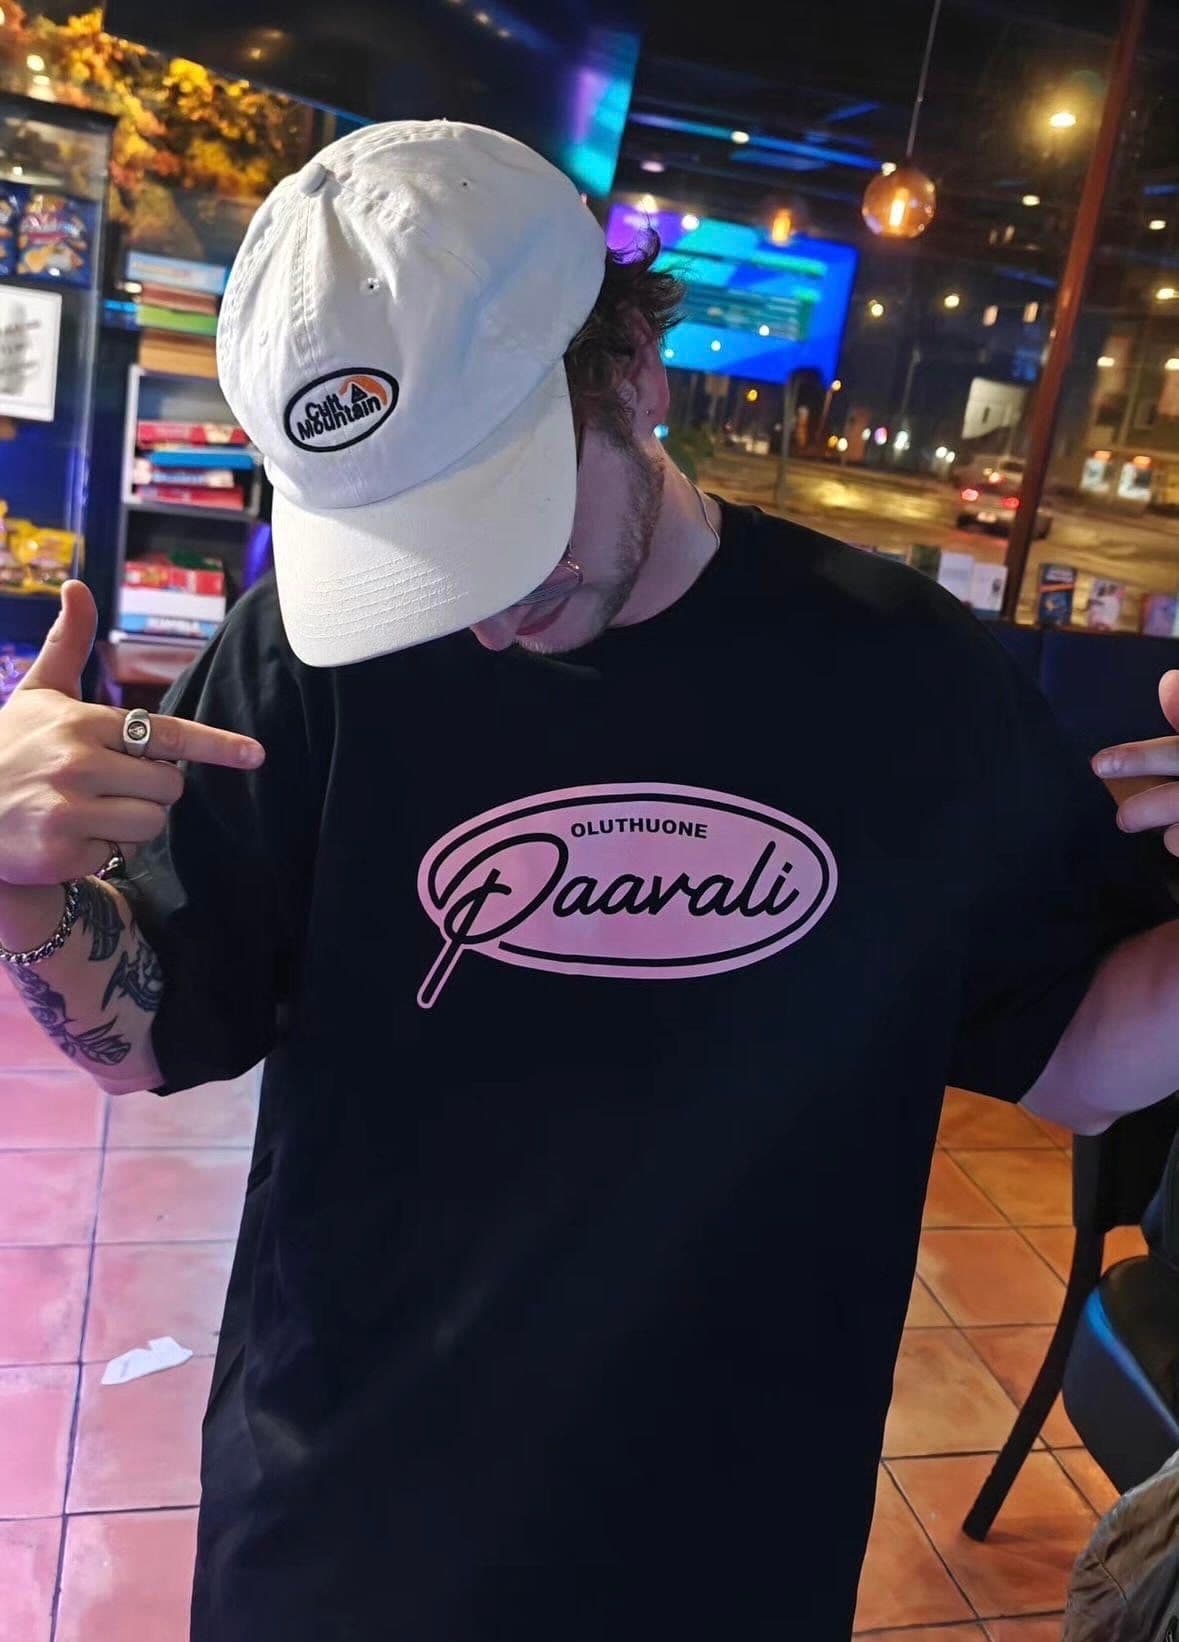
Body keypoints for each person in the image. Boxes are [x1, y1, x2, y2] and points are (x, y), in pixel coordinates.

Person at [3, 119, 1179, 1641]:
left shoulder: (909, 683)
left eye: (501, 527)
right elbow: (147, 1031)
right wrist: (21, 894)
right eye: (408, 553)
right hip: (343, 1525)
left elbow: (1080, 1054)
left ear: (632, 370)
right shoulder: (310, 658)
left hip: (721, 1545)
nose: (481, 622)